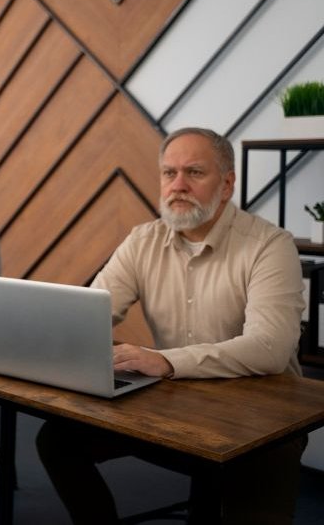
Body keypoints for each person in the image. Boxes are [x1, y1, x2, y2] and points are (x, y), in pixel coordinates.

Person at [36, 127, 307, 524]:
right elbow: (91, 314)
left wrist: (164, 362)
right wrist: (47, 331)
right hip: (177, 411)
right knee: (58, 440)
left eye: (194, 173)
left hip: (262, 424)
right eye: (169, 173)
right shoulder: (142, 240)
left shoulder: (270, 245)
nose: (178, 185)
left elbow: (270, 348)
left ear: (227, 183)